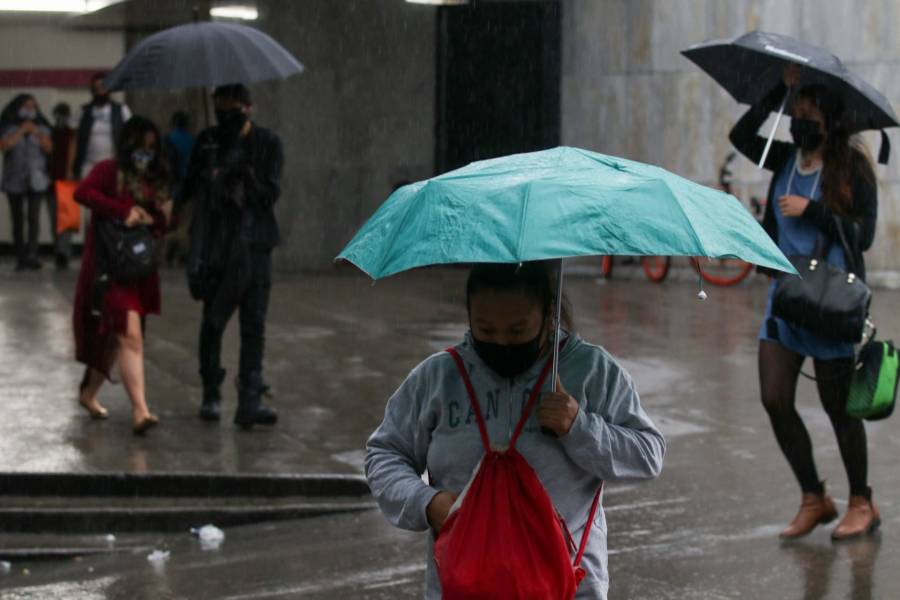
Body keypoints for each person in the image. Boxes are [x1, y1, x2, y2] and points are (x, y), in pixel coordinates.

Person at [365, 261, 665, 599]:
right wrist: (426, 502)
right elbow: (384, 455)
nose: (502, 343)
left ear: (549, 314)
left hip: (569, 587)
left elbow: (647, 455)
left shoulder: (593, 372)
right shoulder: (436, 379)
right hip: (463, 586)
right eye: (486, 331)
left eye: (518, 331)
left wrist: (579, 426)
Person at [730, 65, 880, 540]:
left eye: (809, 111)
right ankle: (814, 496)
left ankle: (862, 501)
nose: (799, 119)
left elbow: (866, 236)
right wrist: (779, 89)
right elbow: (739, 133)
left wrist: (813, 211)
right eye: (796, 111)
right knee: (775, 399)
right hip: (787, 298)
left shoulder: (852, 167)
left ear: (830, 119)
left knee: (840, 411)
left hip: (832, 303)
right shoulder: (784, 160)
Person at [182, 84, 283, 428]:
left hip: (254, 248)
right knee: (212, 322)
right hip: (217, 249)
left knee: (253, 326)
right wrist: (211, 173)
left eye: (233, 107)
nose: (227, 114)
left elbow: (270, 194)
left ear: (248, 108)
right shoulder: (208, 142)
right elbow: (190, 190)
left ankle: (249, 401)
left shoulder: (267, 143)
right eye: (220, 107)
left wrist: (246, 174)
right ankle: (211, 392)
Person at [73, 116, 171, 436]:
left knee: (115, 339)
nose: (146, 154)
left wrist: (153, 216)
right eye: (141, 148)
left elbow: (161, 224)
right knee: (129, 335)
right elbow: (83, 193)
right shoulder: (109, 170)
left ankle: (88, 393)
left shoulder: (155, 178)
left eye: (152, 149)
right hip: (109, 267)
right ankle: (140, 410)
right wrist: (121, 211)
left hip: (137, 268)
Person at [1, 94, 53, 271]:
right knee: (17, 219)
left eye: (33, 106)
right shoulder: (8, 127)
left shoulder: (43, 127)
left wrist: (35, 132)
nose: (30, 110)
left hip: (36, 179)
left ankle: (32, 254)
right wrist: (21, 131)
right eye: (26, 106)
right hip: (14, 179)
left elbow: (49, 148)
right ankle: (20, 256)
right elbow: (5, 146)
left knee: (34, 218)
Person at [72, 73, 132, 181]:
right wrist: (70, 169)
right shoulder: (83, 111)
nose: (100, 91)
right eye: (96, 88)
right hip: (88, 166)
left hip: (113, 165)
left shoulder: (121, 110)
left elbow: (131, 136)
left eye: (103, 87)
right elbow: (74, 141)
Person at [162, 110, 194, 266]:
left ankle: (169, 252)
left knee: (170, 222)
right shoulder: (193, 140)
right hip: (190, 186)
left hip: (173, 186)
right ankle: (182, 253)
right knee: (185, 223)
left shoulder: (168, 139)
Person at [48, 102, 77, 269]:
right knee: (56, 219)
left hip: (66, 181)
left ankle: (63, 251)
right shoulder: (51, 133)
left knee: (65, 219)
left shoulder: (71, 134)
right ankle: (60, 249)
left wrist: (70, 172)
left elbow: (73, 154)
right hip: (52, 181)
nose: (61, 119)